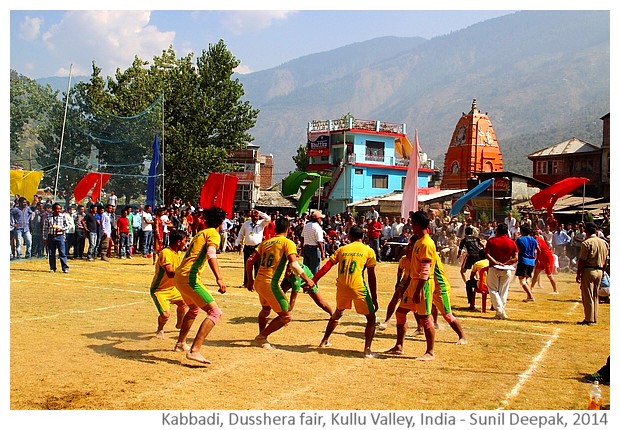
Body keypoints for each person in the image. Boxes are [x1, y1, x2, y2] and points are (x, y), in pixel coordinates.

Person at [245, 217, 316, 349]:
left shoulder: (266, 242)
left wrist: (250, 280)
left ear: (275, 228)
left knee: (265, 310)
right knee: (287, 316)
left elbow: (249, 261)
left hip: (259, 281)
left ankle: (262, 336)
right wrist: (307, 279)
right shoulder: (287, 243)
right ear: (288, 229)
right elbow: (294, 264)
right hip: (270, 283)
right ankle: (262, 337)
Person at [309, 225, 378, 358]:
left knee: (338, 313)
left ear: (350, 236)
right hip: (358, 287)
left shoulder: (342, 249)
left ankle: (324, 341)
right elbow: (371, 276)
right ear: (362, 237)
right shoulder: (368, 251)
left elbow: (326, 267)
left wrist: (313, 280)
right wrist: (374, 297)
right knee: (371, 318)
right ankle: (367, 350)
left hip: (342, 286)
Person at [174, 207, 228, 365]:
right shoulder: (213, 233)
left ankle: (180, 344)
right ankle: (195, 350)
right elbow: (211, 254)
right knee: (215, 312)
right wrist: (219, 278)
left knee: (194, 309)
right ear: (220, 222)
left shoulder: (201, 232)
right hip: (189, 277)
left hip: (180, 276)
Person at [383, 211, 438, 361]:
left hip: (423, 284)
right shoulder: (418, 242)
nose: (411, 226)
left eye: (412, 223)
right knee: (400, 313)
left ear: (417, 225)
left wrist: (419, 290)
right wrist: (406, 286)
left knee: (425, 317)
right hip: (413, 283)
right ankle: (399, 346)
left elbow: (425, 270)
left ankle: (430, 352)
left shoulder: (426, 243)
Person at [151, 231, 189, 339]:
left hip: (173, 288)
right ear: (178, 242)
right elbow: (170, 273)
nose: (185, 244)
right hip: (160, 290)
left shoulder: (178, 253)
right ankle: (160, 329)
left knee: (184, 303)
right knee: (165, 315)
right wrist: (185, 272)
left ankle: (179, 324)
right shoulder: (166, 253)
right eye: (185, 241)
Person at [575, 222, 609, 325]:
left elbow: (582, 260)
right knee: (596, 296)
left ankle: (589, 319)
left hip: (589, 270)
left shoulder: (586, 243)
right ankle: (594, 318)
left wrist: (578, 273)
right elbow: (606, 260)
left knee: (588, 295)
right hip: (600, 270)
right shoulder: (604, 243)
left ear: (586, 231)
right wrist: (603, 270)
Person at [485, 223, 518, 319]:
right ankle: (500, 312)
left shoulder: (491, 241)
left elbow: (487, 254)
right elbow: (515, 258)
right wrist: (506, 263)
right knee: (503, 291)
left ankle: (499, 310)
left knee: (493, 289)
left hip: (493, 268)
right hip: (507, 269)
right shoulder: (511, 242)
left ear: (497, 231)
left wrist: (496, 262)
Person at [378, 241, 414, 330]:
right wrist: (398, 282)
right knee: (394, 299)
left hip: (414, 282)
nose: (408, 251)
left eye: (410, 250)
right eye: (407, 249)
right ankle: (386, 320)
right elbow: (400, 270)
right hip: (404, 281)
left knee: (415, 305)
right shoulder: (404, 259)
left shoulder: (416, 260)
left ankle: (421, 327)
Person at [235, 209, 271, 288]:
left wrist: (260, 212)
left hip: (258, 247)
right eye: (254, 216)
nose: (256, 218)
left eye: (257, 216)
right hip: (248, 247)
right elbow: (241, 234)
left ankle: (257, 283)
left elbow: (268, 219)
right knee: (247, 265)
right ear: (251, 217)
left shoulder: (261, 223)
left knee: (257, 266)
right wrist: (237, 243)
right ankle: (246, 282)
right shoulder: (246, 224)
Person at [42, 203, 70, 273]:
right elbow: (45, 228)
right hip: (51, 236)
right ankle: (52, 268)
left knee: (62, 253)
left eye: (60, 209)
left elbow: (67, 226)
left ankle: (65, 268)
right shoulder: (48, 217)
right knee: (51, 253)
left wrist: (61, 229)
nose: (58, 210)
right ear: (53, 209)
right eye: (57, 209)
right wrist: (44, 238)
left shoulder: (62, 217)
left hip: (60, 236)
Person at [515, 224, 540, 302]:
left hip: (523, 261)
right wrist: (537, 259)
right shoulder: (533, 240)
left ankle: (530, 295)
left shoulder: (520, 239)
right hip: (531, 262)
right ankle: (529, 296)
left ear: (522, 231)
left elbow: (515, 249)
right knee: (527, 279)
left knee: (521, 280)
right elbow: (539, 250)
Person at [531, 228, 558, 293]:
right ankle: (531, 288)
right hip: (541, 258)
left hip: (547, 258)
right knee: (536, 274)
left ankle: (555, 290)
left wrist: (536, 259)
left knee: (549, 275)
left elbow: (538, 250)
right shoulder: (536, 239)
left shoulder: (537, 240)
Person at [300, 210, 327, 275]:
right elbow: (320, 242)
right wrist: (323, 253)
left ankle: (306, 284)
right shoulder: (318, 228)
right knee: (315, 271)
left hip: (306, 249)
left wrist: (302, 249)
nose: (321, 220)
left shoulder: (306, 226)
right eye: (321, 218)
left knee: (307, 270)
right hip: (314, 250)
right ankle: (313, 285)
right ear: (318, 219)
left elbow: (302, 238)